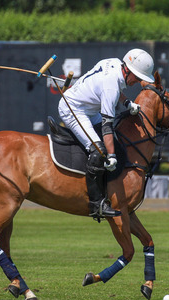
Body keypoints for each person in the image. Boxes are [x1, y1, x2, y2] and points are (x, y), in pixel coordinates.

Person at [58, 48, 155, 219]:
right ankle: (96, 204)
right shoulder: (111, 87)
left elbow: (116, 88)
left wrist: (127, 102)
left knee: (115, 145)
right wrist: (110, 155)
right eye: (138, 77)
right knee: (99, 152)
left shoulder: (115, 63)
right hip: (73, 109)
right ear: (128, 71)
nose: (137, 82)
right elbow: (107, 126)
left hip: (88, 109)